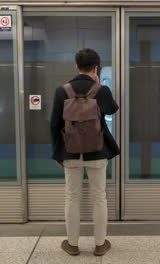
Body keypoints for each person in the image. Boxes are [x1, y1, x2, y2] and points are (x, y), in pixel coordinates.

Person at [50, 48, 120, 256]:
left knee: (72, 197)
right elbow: (112, 110)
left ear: (76, 66)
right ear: (95, 67)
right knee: (99, 197)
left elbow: (54, 124)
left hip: (70, 153)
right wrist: (98, 85)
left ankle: (72, 244)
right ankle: (100, 244)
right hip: (98, 152)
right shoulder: (102, 90)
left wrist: (57, 153)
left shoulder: (62, 91)